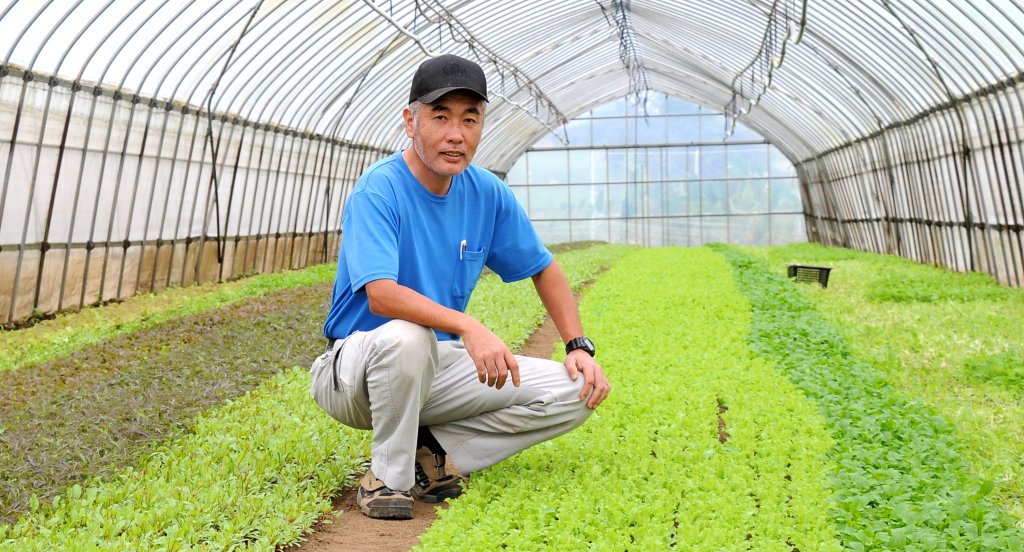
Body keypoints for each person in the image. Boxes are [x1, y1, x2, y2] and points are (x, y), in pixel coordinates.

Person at [309, 54, 611, 520]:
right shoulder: (379, 190)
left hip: (433, 367)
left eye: (470, 119)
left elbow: (543, 267)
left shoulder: (486, 192)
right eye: (441, 117)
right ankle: (386, 477)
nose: (456, 134)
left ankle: (433, 450)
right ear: (411, 122)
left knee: (577, 391)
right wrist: (469, 325)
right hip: (355, 371)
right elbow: (382, 295)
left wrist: (577, 345)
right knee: (409, 335)